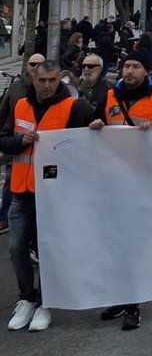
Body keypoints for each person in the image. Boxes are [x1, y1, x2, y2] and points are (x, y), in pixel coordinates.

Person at [1, 59, 94, 332]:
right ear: (34, 80)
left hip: (54, 195)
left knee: (48, 251)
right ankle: (26, 298)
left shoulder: (75, 107)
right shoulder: (20, 105)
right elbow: (3, 137)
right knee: (17, 248)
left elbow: (90, 142)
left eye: (52, 80)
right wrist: (20, 141)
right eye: (42, 80)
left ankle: (45, 301)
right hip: (21, 191)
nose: (47, 85)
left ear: (59, 81)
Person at [89, 50, 152, 330]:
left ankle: (133, 304)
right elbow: (87, 129)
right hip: (113, 181)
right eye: (126, 66)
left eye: (136, 66)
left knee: (135, 244)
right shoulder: (110, 97)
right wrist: (95, 125)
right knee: (116, 242)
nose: (129, 71)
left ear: (146, 71)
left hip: (144, 181)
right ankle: (122, 296)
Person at [76, 52, 111, 117]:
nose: (86, 69)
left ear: (100, 69)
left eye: (90, 66)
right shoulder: (74, 85)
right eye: (83, 66)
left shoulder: (109, 89)